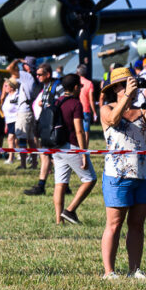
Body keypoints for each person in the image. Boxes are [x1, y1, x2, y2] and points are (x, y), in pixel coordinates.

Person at [99, 68, 146, 279]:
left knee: (137, 224)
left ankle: (134, 269)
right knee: (114, 223)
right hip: (117, 176)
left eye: (134, 84)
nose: (134, 88)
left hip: (143, 174)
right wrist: (127, 95)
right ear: (117, 88)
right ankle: (109, 271)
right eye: (127, 84)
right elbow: (112, 120)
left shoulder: (143, 111)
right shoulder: (106, 108)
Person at [51, 74, 97, 225]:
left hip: (56, 147)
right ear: (76, 87)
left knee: (60, 183)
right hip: (71, 146)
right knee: (90, 179)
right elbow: (79, 131)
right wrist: (84, 153)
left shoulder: (57, 102)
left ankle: (59, 220)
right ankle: (70, 210)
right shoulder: (76, 104)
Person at [23, 63, 61, 196]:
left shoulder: (58, 86)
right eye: (37, 74)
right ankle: (41, 186)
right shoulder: (45, 87)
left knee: (57, 157)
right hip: (46, 125)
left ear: (48, 74)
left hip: (55, 127)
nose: (37, 77)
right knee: (46, 155)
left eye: (40, 74)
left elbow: (61, 103)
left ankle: (61, 185)